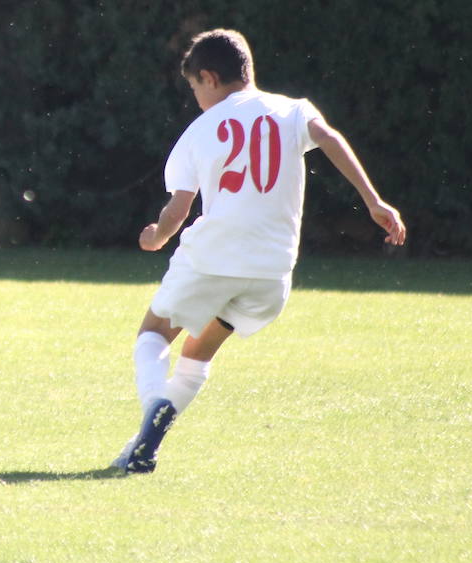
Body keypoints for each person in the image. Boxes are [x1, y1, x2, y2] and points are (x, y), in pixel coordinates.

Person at [115, 28, 406, 473]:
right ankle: (144, 443)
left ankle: (154, 402)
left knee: (153, 334)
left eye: (194, 87)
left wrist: (155, 236)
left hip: (213, 257)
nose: (196, 97)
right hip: (272, 271)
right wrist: (373, 201)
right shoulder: (292, 110)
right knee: (197, 353)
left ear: (209, 78)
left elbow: (179, 208)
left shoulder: (199, 130)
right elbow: (329, 138)